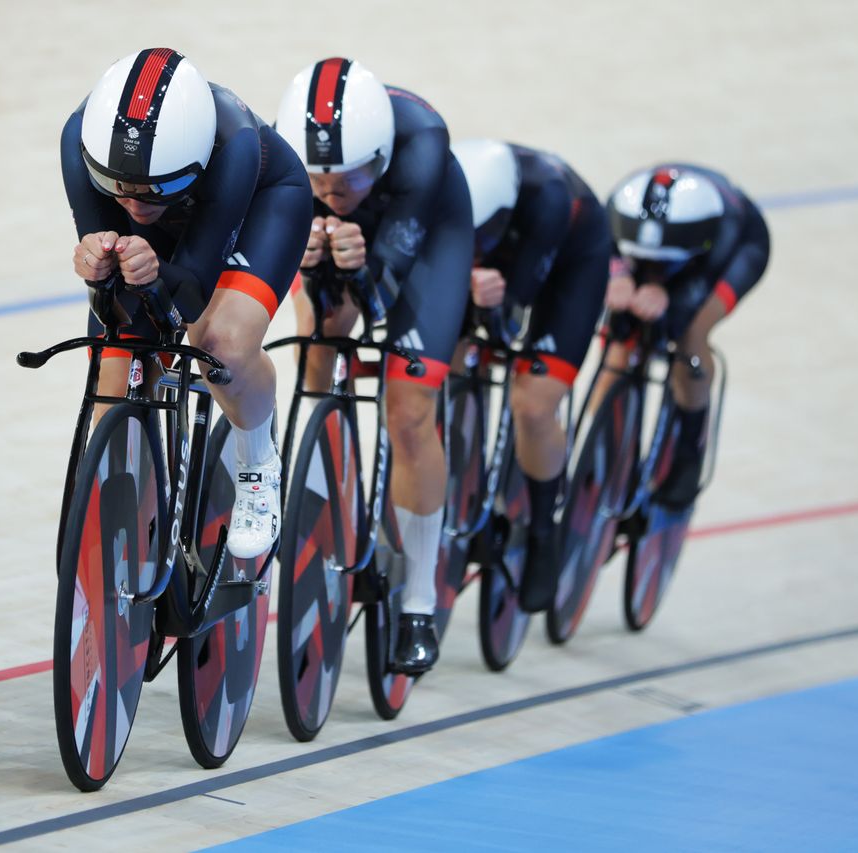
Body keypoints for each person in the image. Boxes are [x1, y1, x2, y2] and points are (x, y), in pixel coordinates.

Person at [61, 48, 312, 559]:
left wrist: (154, 270)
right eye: (120, 189)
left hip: (258, 208)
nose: (134, 204)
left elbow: (192, 294)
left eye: (154, 191)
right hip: (170, 226)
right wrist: (97, 259)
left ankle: (258, 464)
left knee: (220, 343)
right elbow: (111, 283)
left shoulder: (234, 144)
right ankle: (137, 539)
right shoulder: (79, 137)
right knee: (115, 374)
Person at [276, 58, 474, 673]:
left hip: (425, 236)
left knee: (409, 411)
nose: (331, 196)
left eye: (346, 183)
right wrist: (311, 266)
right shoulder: (290, 161)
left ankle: (418, 596)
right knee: (317, 356)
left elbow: (381, 297)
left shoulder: (421, 143)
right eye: (319, 182)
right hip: (353, 238)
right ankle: (331, 507)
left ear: (381, 156)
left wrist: (357, 268)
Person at [450, 139, 611, 613]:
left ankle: (544, 530)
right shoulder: (447, 184)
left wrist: (492, 302)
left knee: (534, 404)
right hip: (495, 270)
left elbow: (510, 324)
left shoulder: (549, 201)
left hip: (569, 266)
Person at [603, 163, 770, 508]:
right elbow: (604, 255)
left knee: (691, 332)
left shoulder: (725, 228)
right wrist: (618, 277)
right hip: (663, 243)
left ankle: (688, 454)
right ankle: (601, 441)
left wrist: (670, 299)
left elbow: (689, 297)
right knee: (620, 332)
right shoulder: (619, 208)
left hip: (735, 251)